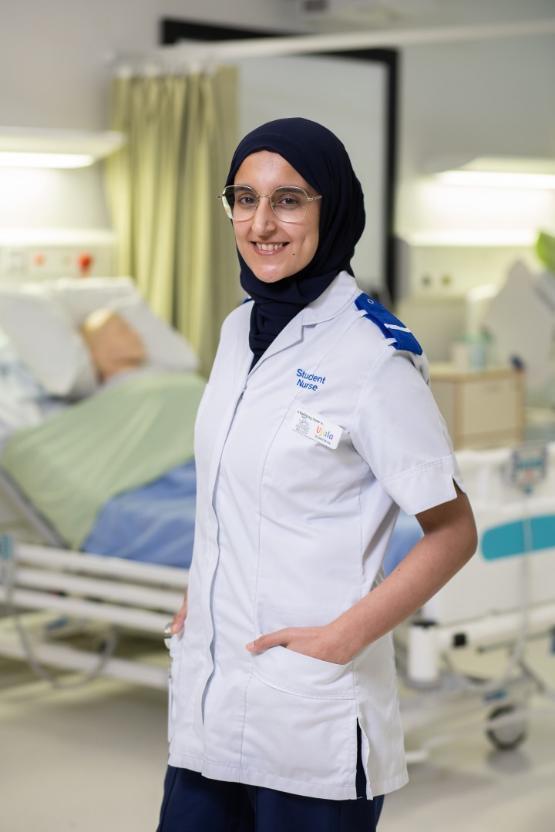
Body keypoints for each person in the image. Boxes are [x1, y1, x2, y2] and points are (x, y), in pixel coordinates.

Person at [157, 117, 477, 832]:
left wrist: (343, 637)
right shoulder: (237, 330)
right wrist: (197, 593)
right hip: (213, 696)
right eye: (244, 199)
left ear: (330, 209)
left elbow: (452, 531)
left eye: (288, 200)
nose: (261, 223)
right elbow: (230, 488)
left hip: (312, 714)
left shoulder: (373, 356)